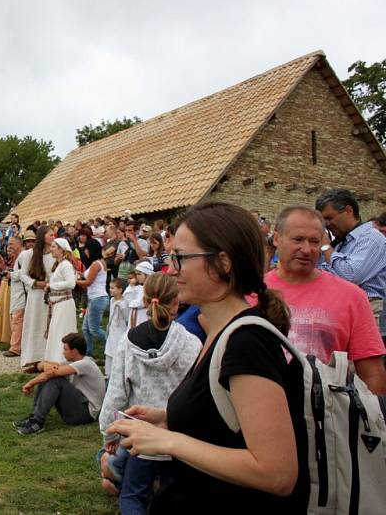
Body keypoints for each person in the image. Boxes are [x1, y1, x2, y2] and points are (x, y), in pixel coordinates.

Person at [107, 201, 302, 513]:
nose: (172, 269)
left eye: (181, 258)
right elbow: (229, 426)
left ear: (223, 262)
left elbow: (277, 472)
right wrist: (168, 419)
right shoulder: (218, 331)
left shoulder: (246, 342)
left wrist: (168, 442)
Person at [99, 273, 201, 514]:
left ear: (144, 301)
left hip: (142, 437)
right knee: (173, 500)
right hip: (179, 438)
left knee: (132, 496)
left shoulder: (128, 342)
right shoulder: (192, 343)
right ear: (176, 302)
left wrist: (109, 433)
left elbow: (116, 393)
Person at [266, 205, 386, 393]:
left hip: (325, 414)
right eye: (298, 239)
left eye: (314, 242)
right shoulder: (253, 291)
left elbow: (372, 372)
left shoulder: (351, 296)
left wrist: (376, 417)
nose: (307, 249)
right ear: (276, 239)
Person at [316, 189, 386, 328]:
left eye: (329, 218)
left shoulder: (371, 238)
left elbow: (350, 275)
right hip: (338, 311)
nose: (326, 225)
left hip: (362, 314)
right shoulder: (342, 241)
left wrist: (325, 247)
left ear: (348, 211)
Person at [13, 333, 106, 435]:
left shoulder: (86, 364)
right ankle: (35, 417)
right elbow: (49, 367)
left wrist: (31, 383)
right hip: (80, 407)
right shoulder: (73, 362)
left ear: (74, 351)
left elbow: (52, 372)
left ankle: (38, 422)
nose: (63, 353)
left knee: (55, 380)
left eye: (65, 349)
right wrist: (43, 365)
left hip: (86, 414)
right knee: (50, 377)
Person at [19, 225, 55, 372]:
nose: (53, 237)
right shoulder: (30, 254)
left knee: (49, 326)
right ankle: (32, 358)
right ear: (42, 237)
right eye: (50, 234)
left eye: (54, 234)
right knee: (35, 325)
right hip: (36, 295)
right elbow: (22, 275)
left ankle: (48, 358)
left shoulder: (55, 253)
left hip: (52, 293)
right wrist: (36, 283)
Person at [41, 238, 78, 366]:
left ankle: (61, 362)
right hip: (58, 304)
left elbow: (71, 283)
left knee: (61, 332)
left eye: (53, 247)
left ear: (62, 249)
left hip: (64, 304)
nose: (51, 249)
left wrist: (51, 286)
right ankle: (54, 361)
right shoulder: (60, 265)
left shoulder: (66, 265)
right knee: (56, 332)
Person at [3, 232, 34, 357]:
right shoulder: (20, 256)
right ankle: (18, 345)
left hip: (22, 292)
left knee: (17, 318)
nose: (8, 246)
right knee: (16, 318)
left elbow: (26, 272)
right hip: (18, 291)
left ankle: (16, 347)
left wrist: (11, 275)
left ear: (18, 244)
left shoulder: (24, 255)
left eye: (11, 244)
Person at [76, 245, 110, 357]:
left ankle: (113, 345)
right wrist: (80, 274)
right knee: (85, 328)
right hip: (95, 298)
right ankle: (88, 353)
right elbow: (89, 278)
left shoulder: (96, 264)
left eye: (87, 249)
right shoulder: (98, 262)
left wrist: (73, 281)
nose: (85, 251)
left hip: (97, 298)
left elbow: (88, 282)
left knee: (94, 329)